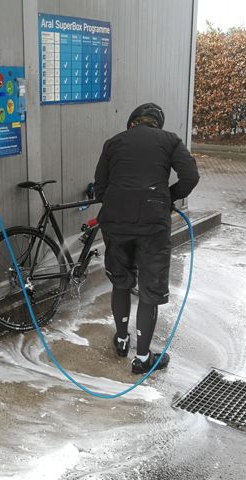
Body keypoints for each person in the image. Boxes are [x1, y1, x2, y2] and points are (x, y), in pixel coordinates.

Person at [94, 103, 199, 374]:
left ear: (133, 123)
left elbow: (100, 188)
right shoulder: (170, 141)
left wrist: (119, 203)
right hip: (153, 225)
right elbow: (190, 176)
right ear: (157, 124)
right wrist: (167, 197)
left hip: (116, 223)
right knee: (150, 290)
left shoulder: (113, 143)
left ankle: (121, 340)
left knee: (121, 281)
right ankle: (142, 358)